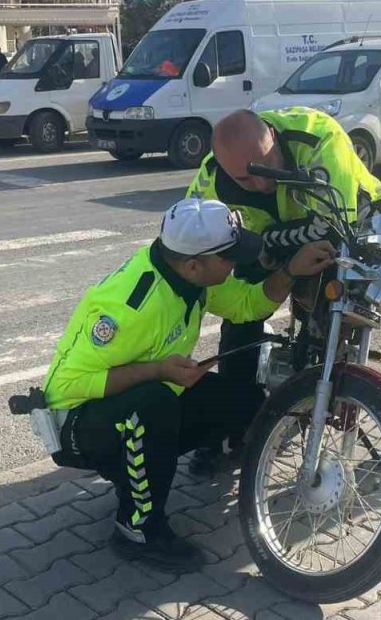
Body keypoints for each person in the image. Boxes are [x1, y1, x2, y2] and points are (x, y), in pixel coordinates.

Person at [41, 198, 335, 572]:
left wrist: (291, 270)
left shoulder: (189, 275)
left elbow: (248, 305)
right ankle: (136, 530)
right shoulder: (132, 308)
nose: (236, 264)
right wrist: (159, 370)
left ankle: (137, 471)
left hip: (134, 399)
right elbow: (64, 387)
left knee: (244, 401)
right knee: (154, 404)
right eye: (228, 257)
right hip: (78, 425)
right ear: (195, 264)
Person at [186, 107, 381, 476]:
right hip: (281, 244)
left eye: (266, 165)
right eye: (245, 181)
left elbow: (332, 228)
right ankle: (234, 429)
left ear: (273, 138)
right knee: (241, 312)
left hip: (353, 225)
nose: (262, 184)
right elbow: (195, 241)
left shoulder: (319, 138)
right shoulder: (211, 177)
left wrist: (264, 243)